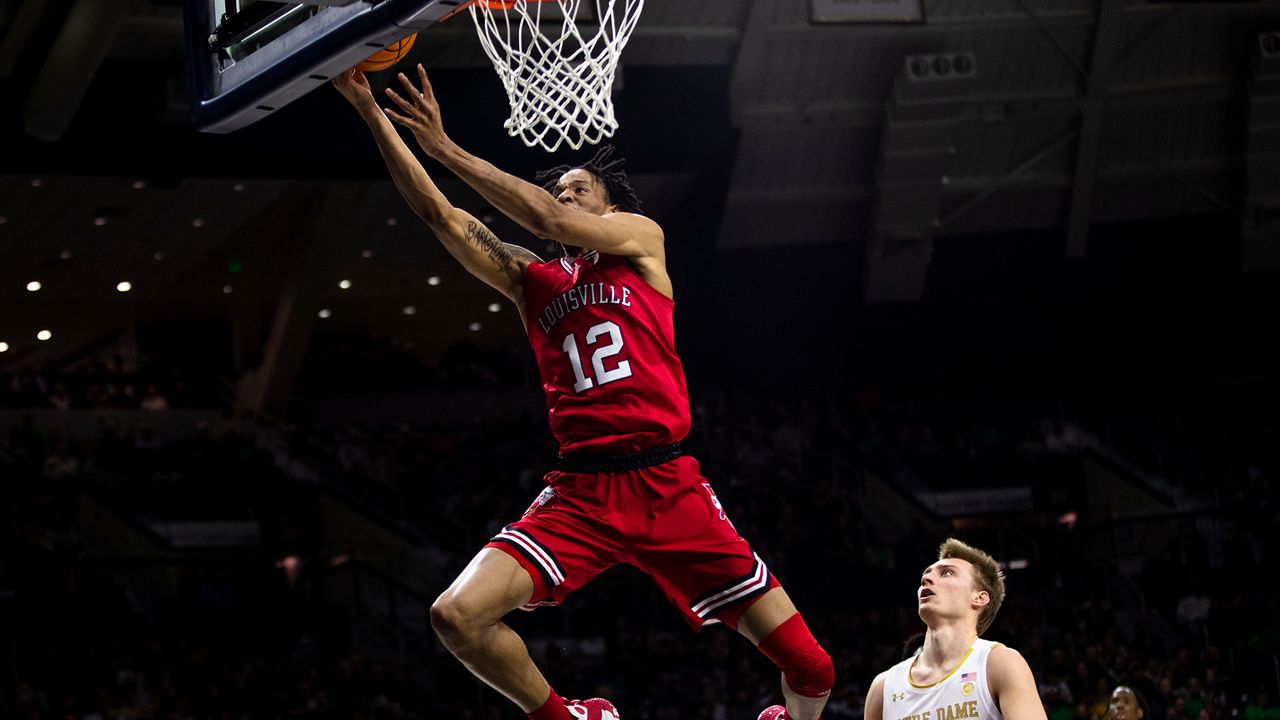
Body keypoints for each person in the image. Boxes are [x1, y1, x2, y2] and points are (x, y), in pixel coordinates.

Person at [332, 64, 834, 720]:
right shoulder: (529, 278)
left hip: (668, 485)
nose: (563, 198)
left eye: (578, 189)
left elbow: (542, 213)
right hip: (582, 493)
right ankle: (564, 717)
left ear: (612, 208)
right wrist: (373, 114)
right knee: (455, 616)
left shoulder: (641, 244)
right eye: (560, 190)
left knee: (812, 667)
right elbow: (441, 215)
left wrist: (447, 147)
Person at [864, 539, 1046, 720]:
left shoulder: (1000, 664)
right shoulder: (883, 688)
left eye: (947, 573)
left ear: (979, 598)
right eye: (926, 575)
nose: (925, 579)